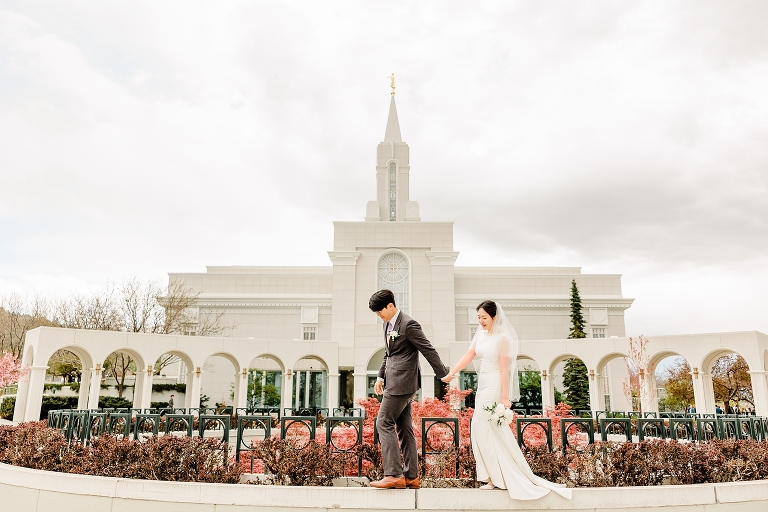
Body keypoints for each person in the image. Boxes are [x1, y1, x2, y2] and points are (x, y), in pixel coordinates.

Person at [442, 301, 571, 500]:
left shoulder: (503, 340)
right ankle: (494, 476)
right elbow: (469, 355)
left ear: (494, 317)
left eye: (484, 317)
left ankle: (495, 477)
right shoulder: (480, 335)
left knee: (482, 427)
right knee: (486, 429)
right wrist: (452, 373)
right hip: (482, 384)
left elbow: (504, 370)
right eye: (479, 317)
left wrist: (504, 396)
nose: (481, 321)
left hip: (494, 384)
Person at [368, 289, 448, 490]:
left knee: (383, 422)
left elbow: (427, 349)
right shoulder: (387, 324)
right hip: (394, 381)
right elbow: (388, 354)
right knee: (404, 428)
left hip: (402, 382)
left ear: (390, 306)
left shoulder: (409, 324)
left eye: (380, 311)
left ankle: (393, 474)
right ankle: (411, 476)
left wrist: (442, 374)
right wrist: (380, 376)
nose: (378, 315)